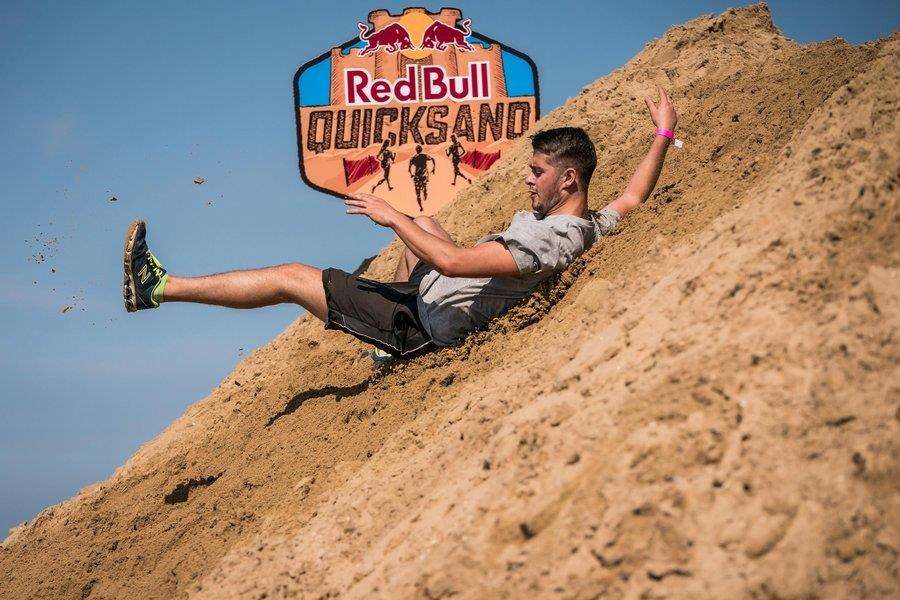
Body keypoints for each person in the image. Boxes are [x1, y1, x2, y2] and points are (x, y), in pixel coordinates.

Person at [123, 87, 678, 359]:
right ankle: (401, 246)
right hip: (436, 291)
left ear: (569, 181)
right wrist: (663, 135)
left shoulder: (551, 240)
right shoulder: (587, 223)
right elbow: (630, 197)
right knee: (424, 217)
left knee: (292, 276)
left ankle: (159, 288)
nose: (527, 180)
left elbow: (454, 261)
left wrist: (391, 218)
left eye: (537, 173)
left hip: (419, 323)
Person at [407, 145, 436, 212]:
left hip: (417, 176)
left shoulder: (414, 158)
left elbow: (409, 168)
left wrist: (411, 174)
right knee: (424, 187)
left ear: (416, 150)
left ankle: (420, 207)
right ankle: (425, 191)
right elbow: (432, 159)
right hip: (423, 175)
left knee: (418, 193)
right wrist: (433, 168)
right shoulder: (424, 156)